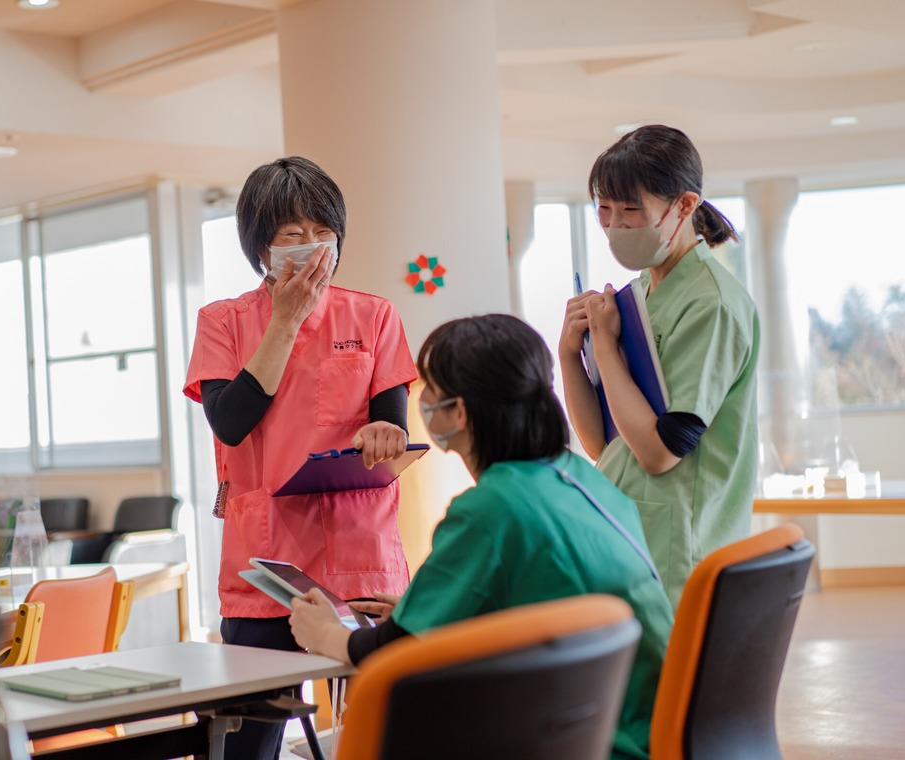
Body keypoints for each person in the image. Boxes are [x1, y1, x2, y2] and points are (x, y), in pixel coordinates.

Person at [290, 314, 673, 760]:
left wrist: (328, 634)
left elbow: (393, 653)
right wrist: (427, 611)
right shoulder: (583, 480)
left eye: (430, 389)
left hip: (596, 739)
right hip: (647, 729)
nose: (423, 403)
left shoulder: (490, 509)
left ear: (459, 412)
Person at [182, 156, 417, 760]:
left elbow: (390, 420)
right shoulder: (223, 322)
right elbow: (231, 423)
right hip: (266, 567)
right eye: (293, 237)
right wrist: (284, 320)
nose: (311, 248)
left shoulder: (374, 315)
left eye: (323, 234)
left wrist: (385, 434)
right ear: (261, 249)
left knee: (381, 736)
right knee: (247, 741)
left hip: (358, 560)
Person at [559, 125, 760, 608]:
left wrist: (606, 348)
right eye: (605, 211)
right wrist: (569, 351)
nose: (616, 226)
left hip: (680, 544)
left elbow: (660, 452)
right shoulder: (640, 297)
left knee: (668, 682)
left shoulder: (711, 302)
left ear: (685, 206)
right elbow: (601, 444)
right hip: (633, 528)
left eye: (631, 210)